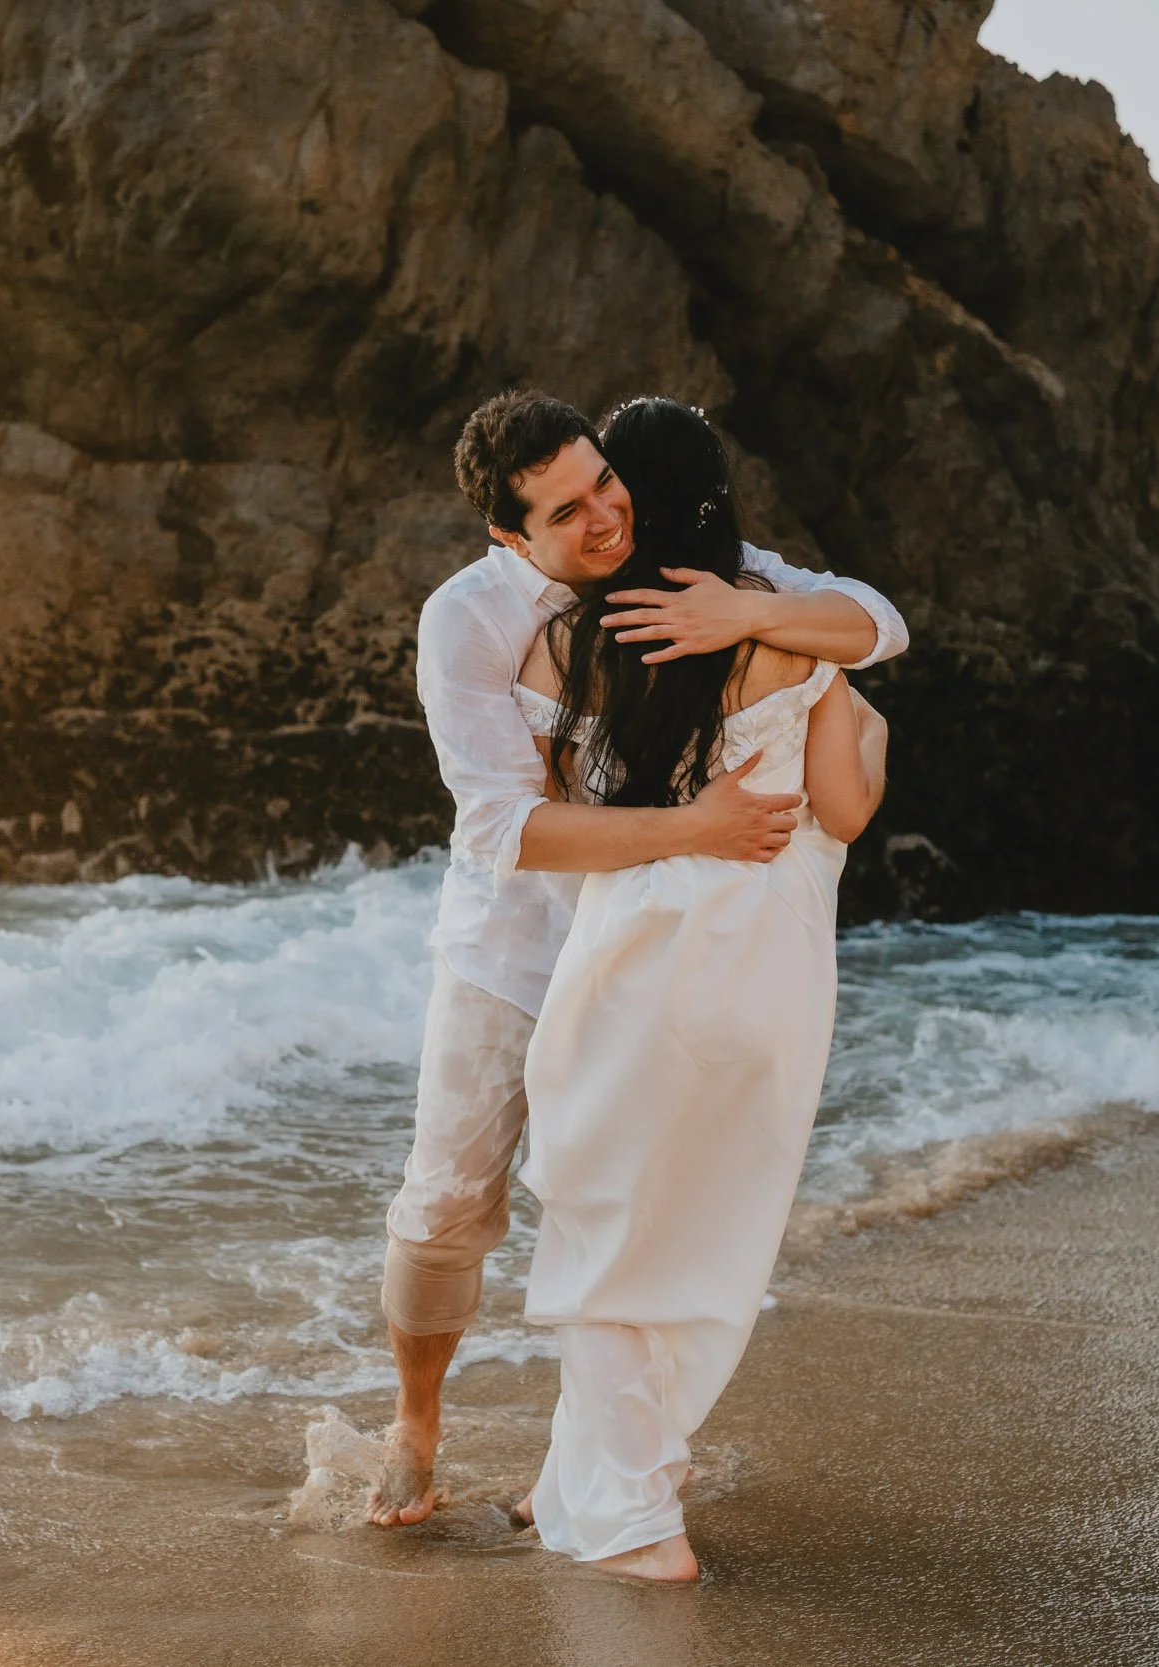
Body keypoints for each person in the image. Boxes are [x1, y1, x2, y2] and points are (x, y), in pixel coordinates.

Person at [368, 390, 906, 1528]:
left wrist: (733, 613)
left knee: (626, 1200)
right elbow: (506, 830)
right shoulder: (467, 619)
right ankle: (416, 1421)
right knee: (446, 1206)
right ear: (510, 535)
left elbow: (874, 621)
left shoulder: (674, 550)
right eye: (570, 511)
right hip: (513, 948)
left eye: (606, 482)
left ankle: (582, 1464)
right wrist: (693, 828)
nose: (607, 516)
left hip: (653, 952)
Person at [512, 397, 889, 1581]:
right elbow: (844, 811)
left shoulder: (559, 646)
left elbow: (552, 820)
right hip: (770, 975)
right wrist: (856, 715)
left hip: (636, 966)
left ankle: (637, 1524)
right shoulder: (792, 644)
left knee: (603, 1219)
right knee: (699, 1229)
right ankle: (590, 1470)